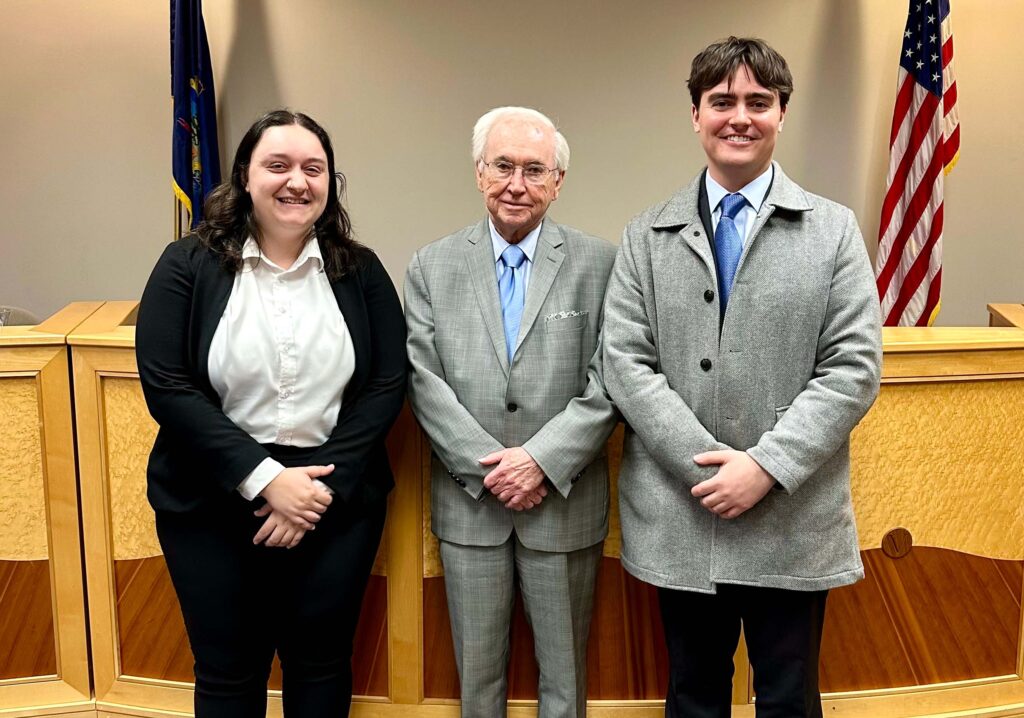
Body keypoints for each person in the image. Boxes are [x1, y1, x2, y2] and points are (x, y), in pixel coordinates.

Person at [602, 38, 882, 718]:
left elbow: (853, 367)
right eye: (722, 101)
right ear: (694, 116)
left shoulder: (834, 231)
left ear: (782, 114)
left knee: (788, 696)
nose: (740, 117)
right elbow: (625, 362)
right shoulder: (646, 236)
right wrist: (707, 470)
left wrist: (764, 466)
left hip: (792, 514)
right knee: (692, 694)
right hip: (682, 514)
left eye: (759, 102)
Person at [136, 109, 406, 717]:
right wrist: (266, 480)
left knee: (322, 666)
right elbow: (168, 385)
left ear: (330, 183)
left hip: (331, 503)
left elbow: (388, 383)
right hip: (211, 501)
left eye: (314, 168)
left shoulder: (360, 270)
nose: (297, 181)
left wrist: (312, 490)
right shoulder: (186, 264)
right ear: (246, 177)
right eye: (277, 165)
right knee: (229, 674)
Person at [405, 106, 617, 718]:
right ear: (479, 173)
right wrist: (493, 469)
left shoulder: (600, 264)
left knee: (565, 679)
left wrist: (541, 463)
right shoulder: (431, 266)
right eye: (502, 166)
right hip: (470, 508)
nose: (516, 183)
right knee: (478, 680)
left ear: (558, 181)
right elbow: (423, 380)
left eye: (534, 169)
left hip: (564, 503)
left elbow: (611, 379)